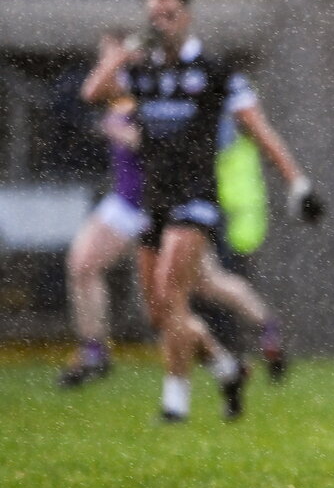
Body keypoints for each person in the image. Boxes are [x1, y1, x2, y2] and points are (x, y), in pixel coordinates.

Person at [80, 0, 323, 421]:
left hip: (196, 200)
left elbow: (260, 130)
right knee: (159, 311)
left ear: (187, 16)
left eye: (169, 14)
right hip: (152, 202)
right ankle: (227, 369)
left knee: (173, 292)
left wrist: (298, 184)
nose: (162, 23)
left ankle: (176, 401)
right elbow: (93, 93)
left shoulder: (214, 72)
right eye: (154, 15)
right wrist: (119, 54)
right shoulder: (142, 71)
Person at [58, 36, 291, 388]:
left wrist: (128, 135)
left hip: (164, 205)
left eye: (112, 54)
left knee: (199, 288)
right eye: (103, 54)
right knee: (83, 265)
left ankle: (260, 330)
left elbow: (167, 145)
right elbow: (91, 94)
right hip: (125, 202)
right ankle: (95, 349)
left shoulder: (153, 88)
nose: (106, 62)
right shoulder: (119, 94)